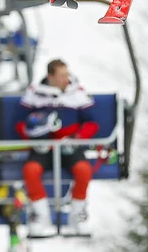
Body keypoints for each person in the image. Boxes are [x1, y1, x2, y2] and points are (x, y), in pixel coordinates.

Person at [16, 59, 99, 237]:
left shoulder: (78, 93)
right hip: (43, 147)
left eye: (67, 74)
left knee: (83, 170)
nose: (65, 79)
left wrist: (78, 138)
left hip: (70, 146)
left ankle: (77, 216)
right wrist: (32, 136)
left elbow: (92, 123)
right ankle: (40, 216)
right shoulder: (34, 94)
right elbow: (20, 122)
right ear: (50, 76)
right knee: (31, 170)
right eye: (61, 75)